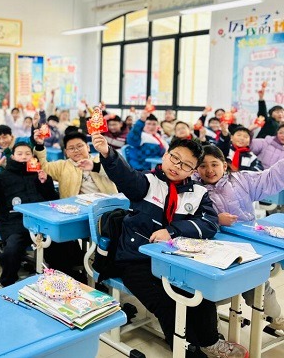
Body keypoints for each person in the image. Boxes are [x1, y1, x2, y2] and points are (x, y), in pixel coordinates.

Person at [92, 133, 247, 358]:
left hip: (175, 261)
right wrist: (108, 153)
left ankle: (210, 342)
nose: (177, 166)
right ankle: (187, 350)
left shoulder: (198, 193)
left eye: (186, 165)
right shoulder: (147, 183)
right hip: (136, 260)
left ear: (193, 170)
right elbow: (124, 176)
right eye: (175, 158)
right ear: (165, 155)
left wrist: (172, 231)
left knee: (199, 291)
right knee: (167, 304)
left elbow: (210, 223)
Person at [196, 145, 284, 332]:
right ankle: (211, 331)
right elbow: (190, 219)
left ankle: (277, 318)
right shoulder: (194, 189)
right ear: (196, 169)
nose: (209, 170)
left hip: (248, 248)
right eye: (203, 166)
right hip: (214, 252)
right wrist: (216, 220)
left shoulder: (241, 180)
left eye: (214, 164)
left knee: (259, 290)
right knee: (208, 295)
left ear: (224, 165)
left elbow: (271, 177)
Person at [0, 142, 80, 286]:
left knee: (62, 243)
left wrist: (45, 182)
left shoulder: (39, 174)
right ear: (12, 156)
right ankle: (7, 281)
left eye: (27, 153)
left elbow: (52, 198)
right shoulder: (4, 176)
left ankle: (62, 279)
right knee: (12, 250)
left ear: (32, 156)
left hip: (42, 222)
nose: (24, 157)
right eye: (19, 154)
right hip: (15, 223)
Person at [33, 131, 117, 199]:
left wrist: (95, 166)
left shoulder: (101, 159)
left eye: (79, 146)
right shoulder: (61, 166)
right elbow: (43, 167)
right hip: (74, 209)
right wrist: (40, 145)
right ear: (66, 152)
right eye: (71, 148)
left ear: (88, 147)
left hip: (107, 207)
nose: (76, 150)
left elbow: (116, 172)